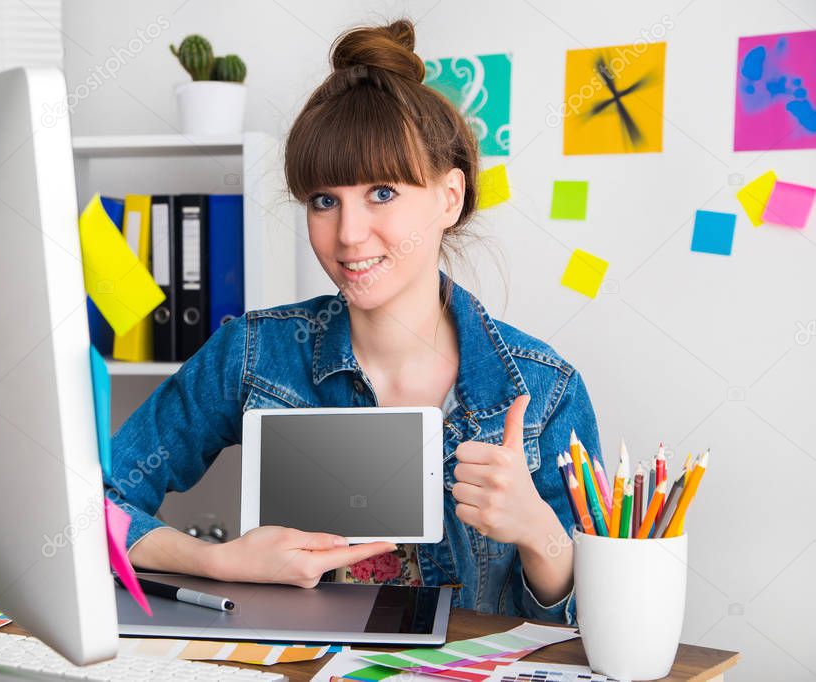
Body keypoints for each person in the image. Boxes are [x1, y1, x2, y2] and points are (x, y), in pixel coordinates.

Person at [107, 18, 603, 624]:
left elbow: (592, 624)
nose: (347, 235)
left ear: (450, 197)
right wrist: (217, 561)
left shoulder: (545, 390)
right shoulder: (253, 353)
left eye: (383, 194)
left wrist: (538, 533)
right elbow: (94, 505)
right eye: (324, 201)